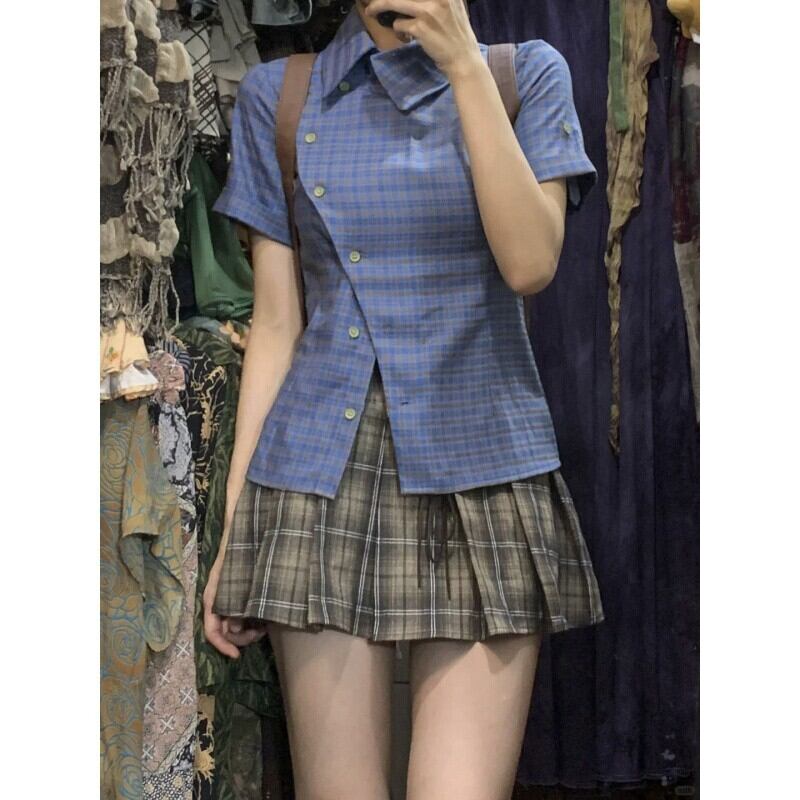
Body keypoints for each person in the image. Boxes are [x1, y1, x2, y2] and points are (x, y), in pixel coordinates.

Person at [203, 2, 605, 798]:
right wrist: (233, 532)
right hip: (318, 474)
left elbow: (531, 263)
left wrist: (462, 65)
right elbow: (276, 326)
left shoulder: (523, 76)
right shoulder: (279, 96)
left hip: (482, 468)